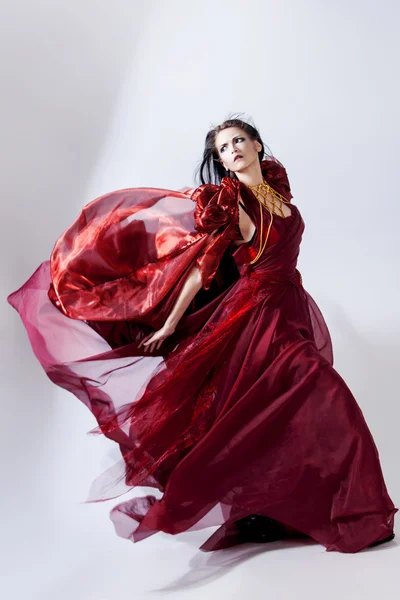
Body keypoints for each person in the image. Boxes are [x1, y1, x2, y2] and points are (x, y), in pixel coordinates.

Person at [7, 117, 397, 553]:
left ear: (256, 145)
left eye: (237, 141)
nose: (231, 150)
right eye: (223, 148)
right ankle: (358, 512)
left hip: (290, 308)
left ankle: (272, 508)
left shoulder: (279, 197)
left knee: (270, 415)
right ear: (222, 162)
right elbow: (199, 269)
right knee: (325, 394)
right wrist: (171, 322)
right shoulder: (235, 204)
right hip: (259, 316)